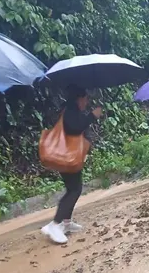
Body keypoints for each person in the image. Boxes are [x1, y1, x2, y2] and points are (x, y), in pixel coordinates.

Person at [40, 86, 102, 245]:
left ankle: (66, 223)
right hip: (66, 156)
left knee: (74, 188)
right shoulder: (70, 111)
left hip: (69, 156)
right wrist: (92, 116)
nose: (87, 102)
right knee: (74, 190)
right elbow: (75, 127)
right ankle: (55, 224)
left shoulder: (70, 110)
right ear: (79, 98)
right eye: (85, 98)